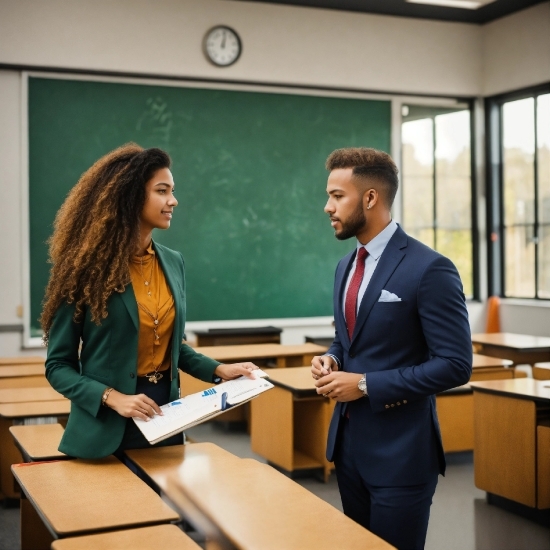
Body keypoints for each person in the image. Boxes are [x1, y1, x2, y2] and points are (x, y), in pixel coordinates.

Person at [42, 144, 257, 459]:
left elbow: (173, 345)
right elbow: (58, 366)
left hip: (165, 420)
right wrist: (112, 397)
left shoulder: (173, 262)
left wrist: (218, 369)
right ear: (129, 196)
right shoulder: (83, 269)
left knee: (164, 509)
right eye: (162, 190)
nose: (173, 200)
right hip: (105, 427)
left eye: (172, 190)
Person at [311, 147, 472, 550]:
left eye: (337, 196)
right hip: (348, 450)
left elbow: (455, 365)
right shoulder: (345, 265)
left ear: (370, 198)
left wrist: (364, 384)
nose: (327, 207)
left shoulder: (430, 268)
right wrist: (331, 358)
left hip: (402, 457)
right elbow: (349, 339)